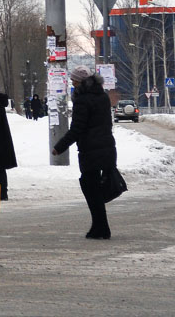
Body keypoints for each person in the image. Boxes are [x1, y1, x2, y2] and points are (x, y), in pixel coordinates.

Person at [52, 66, 116, 240]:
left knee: (91, 188)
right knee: (94, 188)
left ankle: (101, 227)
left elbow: (77, 129)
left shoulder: (82, 100)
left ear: (80, 82)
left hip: (91, 150)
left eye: (73, 80)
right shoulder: (102, 96)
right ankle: (100, 227)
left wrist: (59, 147)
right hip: (107, 147)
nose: (72, 82)